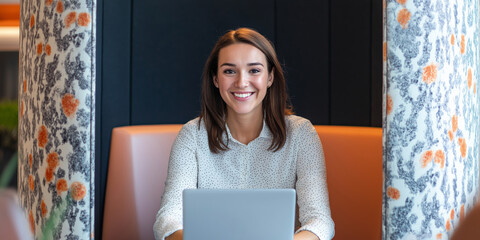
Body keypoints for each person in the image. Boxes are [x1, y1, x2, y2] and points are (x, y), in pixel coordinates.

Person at [153, 28, 335, 240]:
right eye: (229, 71)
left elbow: (320, 221)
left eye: (254, 70)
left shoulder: (301, 134)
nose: (241, 82)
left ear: (270, 77)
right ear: (215, 79)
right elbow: (167, 218)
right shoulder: (193, 135)